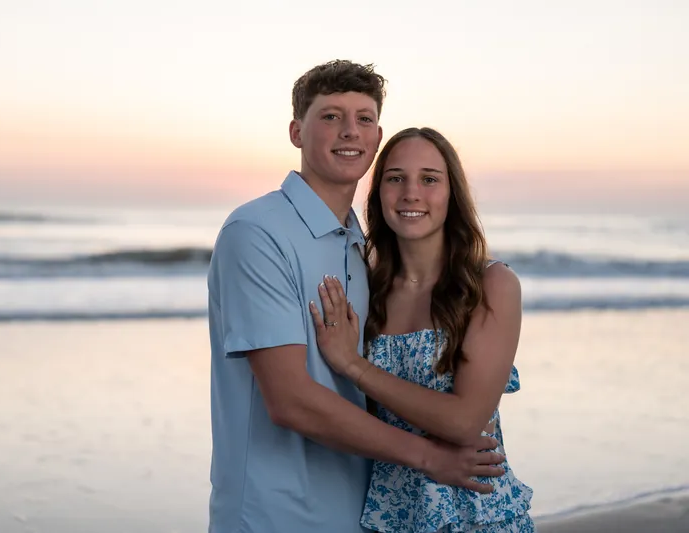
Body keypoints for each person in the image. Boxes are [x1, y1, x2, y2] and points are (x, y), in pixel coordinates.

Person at [207, 62, 505, 533]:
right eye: (330, 116)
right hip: (274, 512)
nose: (350, 131)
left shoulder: (358, 247)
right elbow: (290, 401)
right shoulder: (258, 233)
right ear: (296, 131)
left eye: (364, 118)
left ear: (377, 134)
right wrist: (430, 457)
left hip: (361, 512)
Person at [309, 126, 535, 532]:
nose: (411, 193)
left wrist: (353, 365)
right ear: (379, 192)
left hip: (477, 516)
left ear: (453, 194)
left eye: (429, 179)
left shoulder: (491, 286)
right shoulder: (365, 289)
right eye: (395, 178)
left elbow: (465, 421)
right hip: (387, 519)